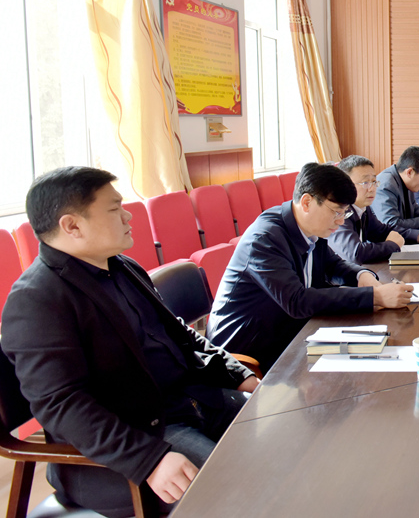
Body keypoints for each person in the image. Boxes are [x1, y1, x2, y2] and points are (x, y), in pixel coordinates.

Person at [1, 167, 258, 517]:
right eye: (114, 209)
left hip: (191, 403)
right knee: (242, 496)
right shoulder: (36, 299)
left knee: (281, 439)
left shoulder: (122, 267)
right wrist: (148, 460)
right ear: (72, 226)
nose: (128, 215)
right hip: (137, 439)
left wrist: (236, 373)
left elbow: (178, 333)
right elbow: (61, 404)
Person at [208, 163, 412, 368]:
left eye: (345, 213)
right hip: (247, 350)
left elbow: (333, 264)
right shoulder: (265, 239)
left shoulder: (310, 226)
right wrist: (374, 296)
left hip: (289, 330)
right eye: (336, 212)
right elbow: (297, 301)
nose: (341, 221)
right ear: (307, 202)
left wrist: (362, 276)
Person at [329, 155, 419, 264]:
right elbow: (355, 253)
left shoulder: (363, 209)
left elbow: (382, 231)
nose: (372, 189)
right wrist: (393, 245)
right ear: (344, 185)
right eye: (365, 183)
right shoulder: (339, 212)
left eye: (374, 182)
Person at [371, 146, 419, 240]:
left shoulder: (407, 182)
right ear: (409, 172)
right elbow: (390, 224)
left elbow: (415, 211)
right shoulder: (386, 185)